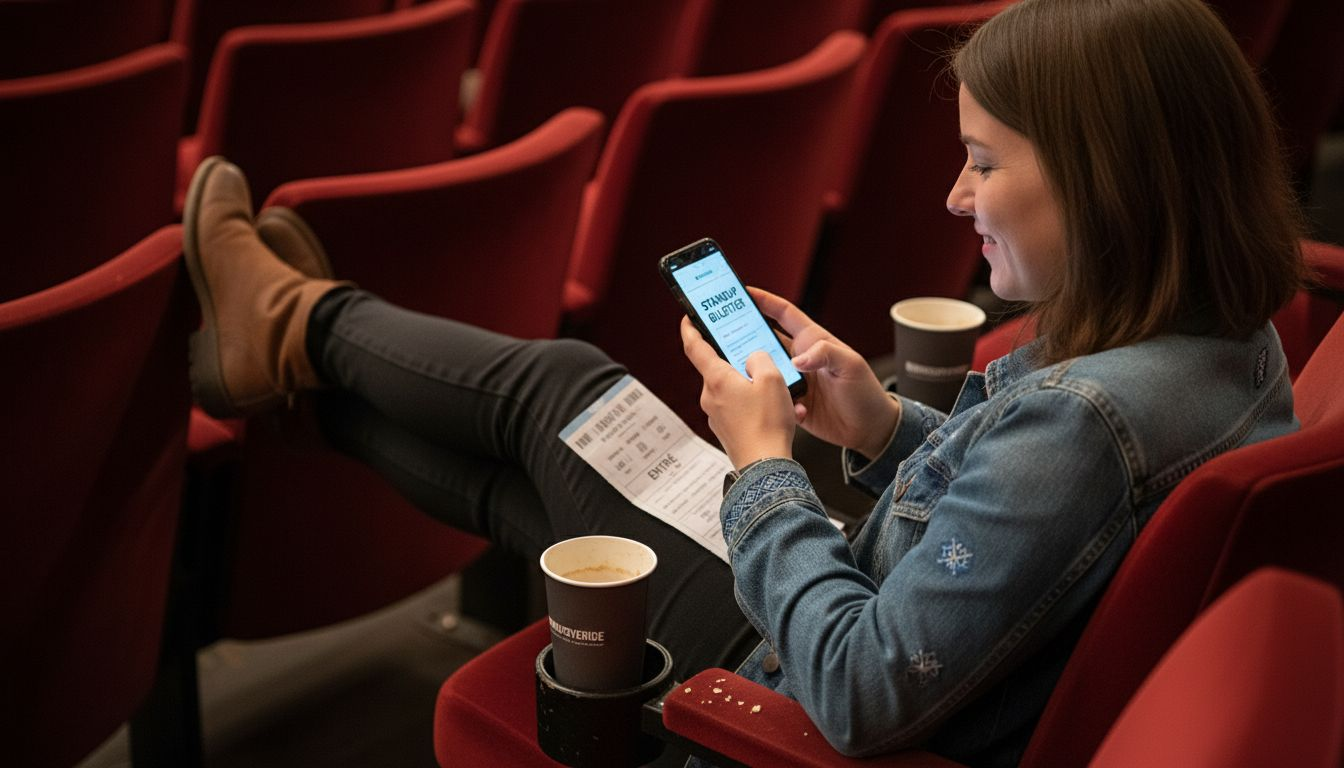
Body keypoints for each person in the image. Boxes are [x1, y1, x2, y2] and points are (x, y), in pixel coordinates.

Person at [180, 0, 1305, 764]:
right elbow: (1039, 533)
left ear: (1108, 185)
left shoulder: (1082, 423)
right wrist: (878, 422)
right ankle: (287, 365)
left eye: (986, 160)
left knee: (554, 395)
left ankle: (294, 323)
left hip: (777, 692)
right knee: (533, 490)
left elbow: (859, 692)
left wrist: (766, 468)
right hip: (864, 607)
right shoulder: (1236, 338)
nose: (957, 199)